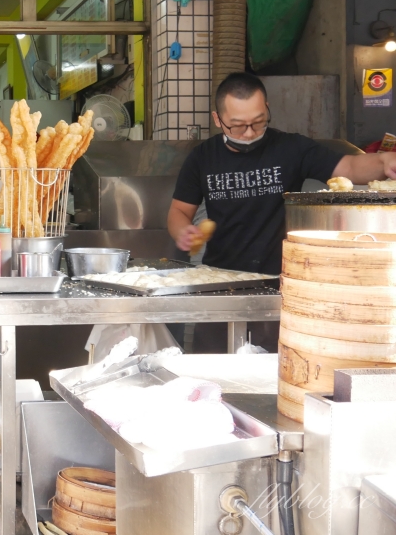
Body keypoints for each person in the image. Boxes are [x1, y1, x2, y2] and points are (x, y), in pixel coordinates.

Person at [168, 72, 396, 350]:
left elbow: (348, 167)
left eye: (258, 122)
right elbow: (179, 211)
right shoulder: (202, 157)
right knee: (215, 372)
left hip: (280, 286)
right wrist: (184, 233)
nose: (250, 132)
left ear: (267, 110)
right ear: (218, 120)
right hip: (221, 286)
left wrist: (383, 163)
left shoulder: (291, 148)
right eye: (238, 126)